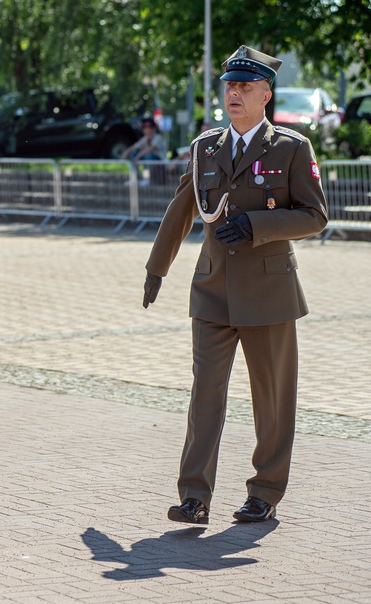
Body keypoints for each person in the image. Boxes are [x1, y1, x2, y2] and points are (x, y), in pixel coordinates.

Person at [142, 46, 328, 524]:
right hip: (212, 291)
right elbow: (183, 208)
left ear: (266, 94)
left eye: (245, 87)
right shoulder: (206, 147)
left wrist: (256, 226)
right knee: (205, 393)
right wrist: (156, 267)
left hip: (269, 295)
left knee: (272, 399)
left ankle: (265, 491)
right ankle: (194, 496)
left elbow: (315, 216)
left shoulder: (291, 147)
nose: (234, 94)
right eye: (229, 86)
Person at [121, 118, 167, 183]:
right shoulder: (145, 138)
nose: (147, 131)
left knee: (148, 157)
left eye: (149, 129)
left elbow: (150, 148)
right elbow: (135, 146)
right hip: (149, 159)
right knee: (134, 154)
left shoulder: (158, 138)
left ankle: (146, 179)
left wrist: (138, 156)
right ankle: (134, 177)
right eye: (145, 129)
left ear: (154, 129)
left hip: (160, 162)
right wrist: (125, 153)